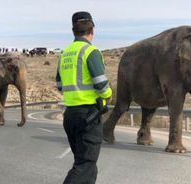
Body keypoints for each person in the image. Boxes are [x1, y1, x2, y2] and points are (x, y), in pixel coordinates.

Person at [56, 11, 112, 184]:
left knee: (87, 165)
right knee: (85, 164)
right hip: (88, 115)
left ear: (73, 30)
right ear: (92, 30)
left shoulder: (64, 54)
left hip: (70, 115)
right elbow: (102, 84)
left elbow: (59, 85)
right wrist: (108, 96)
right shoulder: (90, 51)